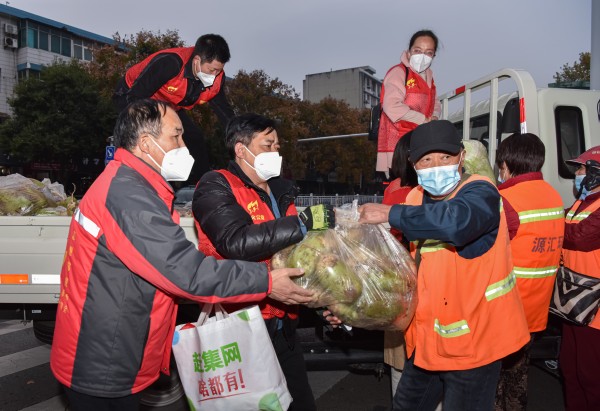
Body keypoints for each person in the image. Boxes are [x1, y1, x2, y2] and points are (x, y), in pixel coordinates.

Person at [49, 100, 314, 411]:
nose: (183, 146)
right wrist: (266, 282)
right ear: (145, 143)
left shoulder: (133, 186)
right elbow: (187, 272)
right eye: (176, 136)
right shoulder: (128, 195)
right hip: (105, 360)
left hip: (111, 349)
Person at [359, 120, 530, 411]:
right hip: (428, 341)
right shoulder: (414, 197)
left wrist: (391, 213)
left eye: (445, 157)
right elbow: (404, 265)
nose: (436, 166)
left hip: (475, 347)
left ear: (461, 157)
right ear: (413, 164)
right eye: (426, 160)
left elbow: (456, 223)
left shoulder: (481, 192)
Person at [192, 113, 337, 411]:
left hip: (284, 326)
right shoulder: (216, 185)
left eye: (277, 146)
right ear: (241, 149)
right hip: (243, 324)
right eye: (267, 145)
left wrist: (324, 304)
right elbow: (235, 242)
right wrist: (300, 224)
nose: (275, 152)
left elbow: (299, 258)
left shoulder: (283, 192)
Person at [493, 133, 564, 411]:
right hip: (536, 307)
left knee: (493, 380)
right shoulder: (553, 195)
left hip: (504, 307)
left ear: (506, 164)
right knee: (518, 373)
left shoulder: (505, 199)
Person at [113, 34, 234, 183]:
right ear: (197, 60)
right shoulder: (171, 63)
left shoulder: (217, 80)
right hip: (131, 95)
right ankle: (129, 176)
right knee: (156, 134)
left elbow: (225, 113)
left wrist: (240, 136)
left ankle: (200, 187)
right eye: (211, 70)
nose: (214, 75)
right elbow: (136, 97)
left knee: (194, 139)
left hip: (168, 105)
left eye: (218, 71)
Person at [559, 145, 600, 410]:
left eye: (582, 168)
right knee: (570, 370)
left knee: (591, 376)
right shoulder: (581, 202)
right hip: (573, 299)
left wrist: (552, 224)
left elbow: (579, 238)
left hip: (595, 310)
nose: (577, 173)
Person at [381, 130, 417, 398]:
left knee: (399, 363)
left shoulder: (392, 188)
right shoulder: (418, 193)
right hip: (417, 281)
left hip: (395, 285)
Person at [376, 29, 442, 175]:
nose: (422, 56)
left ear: (433, 56)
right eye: (418, 50)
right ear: (409, 51)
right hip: (399, 144)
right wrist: (423, 120)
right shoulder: (399, 72)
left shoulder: (429, 77)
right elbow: (391, 106)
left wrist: (435, 116)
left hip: (420, 141)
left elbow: (435, 102)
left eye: (428, 53)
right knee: (403, 184)